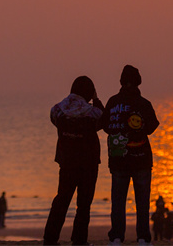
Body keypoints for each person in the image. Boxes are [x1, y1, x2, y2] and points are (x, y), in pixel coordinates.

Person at [43, 76, 105, 246]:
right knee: (84, 204)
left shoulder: (58, 110)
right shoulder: (91, 112)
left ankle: (50, 238)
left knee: (61, 200)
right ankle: (79, 240)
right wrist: (96, 99)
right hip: (88, 163)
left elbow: (53, 119)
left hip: (67, 162)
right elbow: (104, 119)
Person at [102, 65, 160, 246]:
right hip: (141, 157)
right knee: (142, 201)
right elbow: (152, 127)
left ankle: (117, 237)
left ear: (121, 81)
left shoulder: (112, 102)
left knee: (118, 200)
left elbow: (105, 126)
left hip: (119, 158)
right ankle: (142, 237)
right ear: (138, 82)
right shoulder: (144, 103)